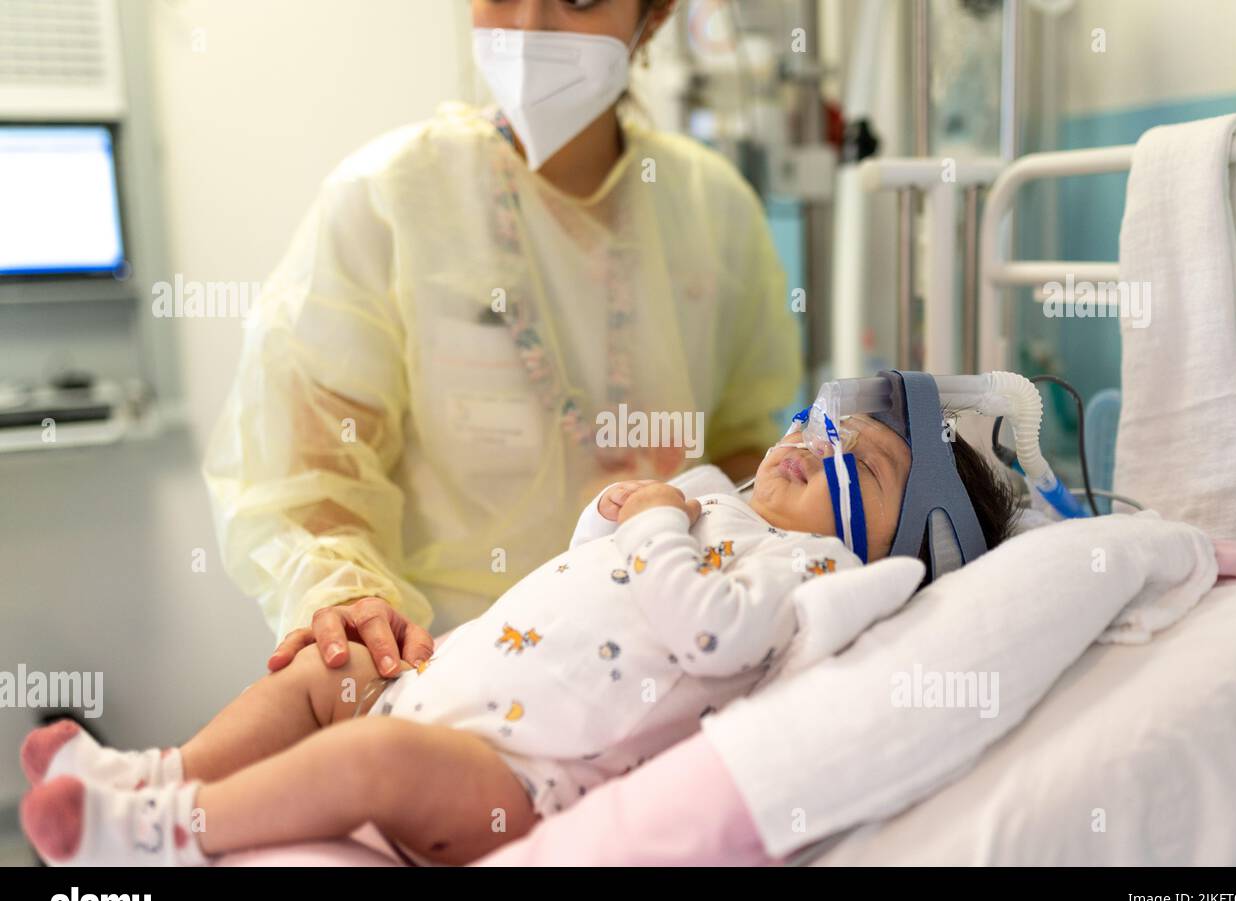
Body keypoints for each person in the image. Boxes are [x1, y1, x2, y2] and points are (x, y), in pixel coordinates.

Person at [21, 418, 1018, 867]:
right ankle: (150, 772)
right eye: (830, 422)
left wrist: (655, 521)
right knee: (334, 675)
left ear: (897, 544)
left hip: (515, 784)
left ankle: (163, 836)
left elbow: (705, 631)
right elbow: (592, 570)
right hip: (444, 681)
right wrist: (618, 512)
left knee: (373, 757)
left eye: (869, 462)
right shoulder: (722, 508)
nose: (823, 437)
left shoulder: (810, 577)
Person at [204, 0, 802, 682]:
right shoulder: (389, 201)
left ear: (655, 15)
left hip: (662, 661)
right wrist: (346, 596)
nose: (527, 29)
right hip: (441, 668)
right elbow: (309, 481)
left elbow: (742, 454)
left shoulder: (712, 210)